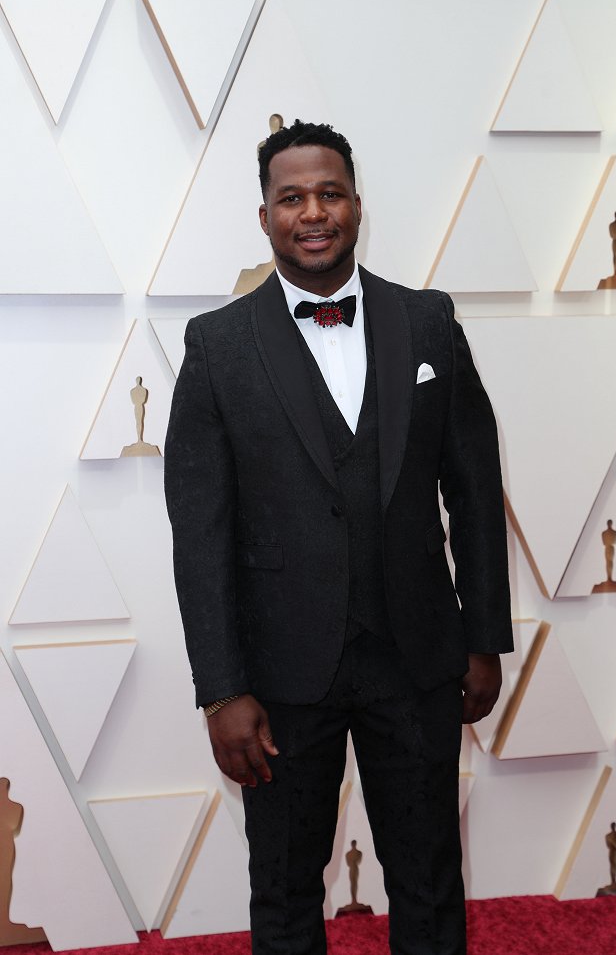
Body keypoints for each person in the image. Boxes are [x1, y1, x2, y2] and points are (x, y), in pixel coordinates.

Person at [164, 120, 513, 955]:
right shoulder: (216, 346)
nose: (312, 212)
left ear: (356, 205)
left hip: (418, 658)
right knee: (283, 887)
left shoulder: (427, 323)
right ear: (264, 216)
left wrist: (482, 637)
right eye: (292, 198)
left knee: (429, 876)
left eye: (329, 193)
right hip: (279, 676)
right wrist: (221, 688)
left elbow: (472, 487)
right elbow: (199, 531)